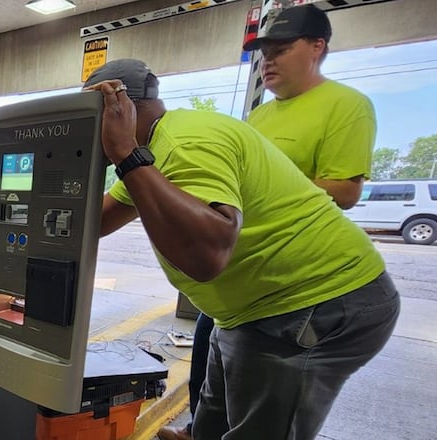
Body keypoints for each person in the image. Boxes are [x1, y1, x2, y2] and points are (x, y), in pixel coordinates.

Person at [83, 58, 399, 440]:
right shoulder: (158, 149)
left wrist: (124, 154)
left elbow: (206, 258)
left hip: (313, 303)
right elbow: (95, 221)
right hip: (251, 310)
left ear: (116, 110)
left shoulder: (182, 144)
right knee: (212, 419)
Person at [158, 4, 378, 439]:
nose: (268, 61)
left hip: (292, 275)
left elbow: (346, 190)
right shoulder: (259, 115)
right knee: (210, 350)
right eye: (264, 52)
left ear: (317, 48)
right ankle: (202, 428)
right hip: (241, 272)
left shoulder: (346, 105)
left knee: (267, 392)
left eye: (281, 49)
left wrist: (270, 187)